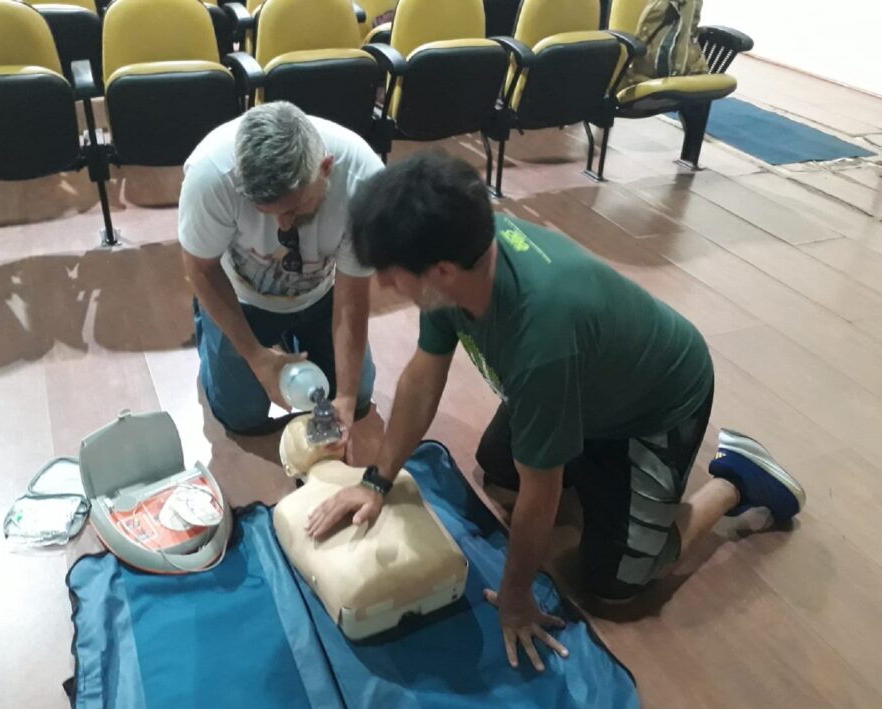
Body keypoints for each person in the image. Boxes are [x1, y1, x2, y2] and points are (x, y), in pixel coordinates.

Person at [306, 150, 805, 672]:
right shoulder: (461, 261)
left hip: (656, 406)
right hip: (587, 385)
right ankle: (598, 478)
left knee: (615, 584)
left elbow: (541, 496)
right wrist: (376, 481)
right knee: (500, 472)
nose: (385, 285)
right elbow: (421, 377)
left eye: (390, 274)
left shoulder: (540, 336)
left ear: (442, 271)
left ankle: (737, 482)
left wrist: (518, 597)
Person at [178, 102, 382, 437]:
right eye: (266, 211)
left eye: (295, 208)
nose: (283, 224)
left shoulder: (364, 182)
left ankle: (294, 335)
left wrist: (344, 398)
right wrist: (257, 358)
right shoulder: (211, 175)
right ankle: (212, 329)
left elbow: (352, 301)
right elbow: (201, 270)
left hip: (323, 294)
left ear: (326, 168)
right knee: (242, 416)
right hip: (241, 296)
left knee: (357, 399)